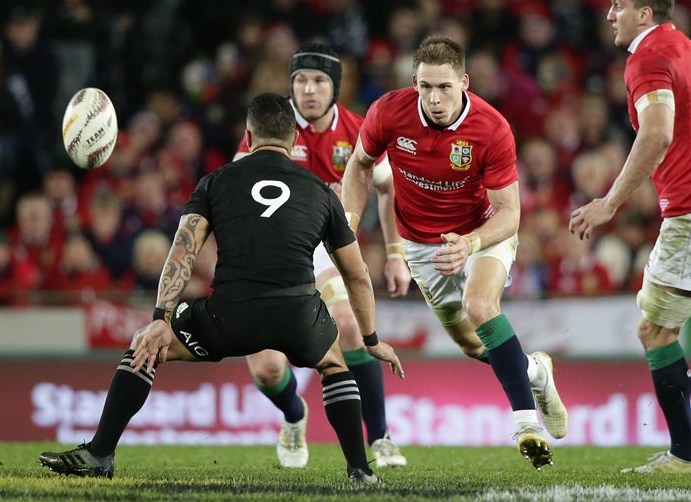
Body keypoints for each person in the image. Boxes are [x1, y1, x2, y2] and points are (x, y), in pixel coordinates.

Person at [39, 92, 404, 483]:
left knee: (146, 341)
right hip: (297, 314)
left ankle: (99, 453)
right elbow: (357, 273)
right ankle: (359, 470)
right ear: (296, 141)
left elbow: (182, 250)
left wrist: (162, 318)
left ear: (248, 136)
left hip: (230, 315)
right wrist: (370, 336)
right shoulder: (319, 191)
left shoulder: (215, 182)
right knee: (334, 364)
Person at [341, 35, 569, 470]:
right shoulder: (389, 112)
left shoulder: (491, 128)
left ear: (463, 82)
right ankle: (536, 372)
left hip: (483, 233)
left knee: (479, 305)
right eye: (425, 86)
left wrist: (470, 243)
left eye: (444, 87)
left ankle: (526, 424)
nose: (435, 98)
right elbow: (360, 163)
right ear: (414, 82)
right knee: (470, 342)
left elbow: (510, 213)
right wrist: (349, 222)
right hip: (421, 244)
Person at [234, 42, 411, 469]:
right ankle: (294, 416)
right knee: (269, 372)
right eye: (300, 81)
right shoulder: (270, 129)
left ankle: (381, 437)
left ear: (335, 87)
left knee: (350, 326)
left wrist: (394, 252)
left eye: (318, 81)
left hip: (327, 251)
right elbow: (234, 193)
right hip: (272, 258)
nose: (308, 90)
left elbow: (388, 189)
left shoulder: (358, 132)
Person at [570, 0, 691, 473]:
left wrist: (610, 202)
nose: (609, 15)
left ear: (644, 13)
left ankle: (684, 455)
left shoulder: (648, 55)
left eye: (618, 5)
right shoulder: (682, 46)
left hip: (687, 210)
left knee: (655, 330)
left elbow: (657, 133)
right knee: (662, 327)